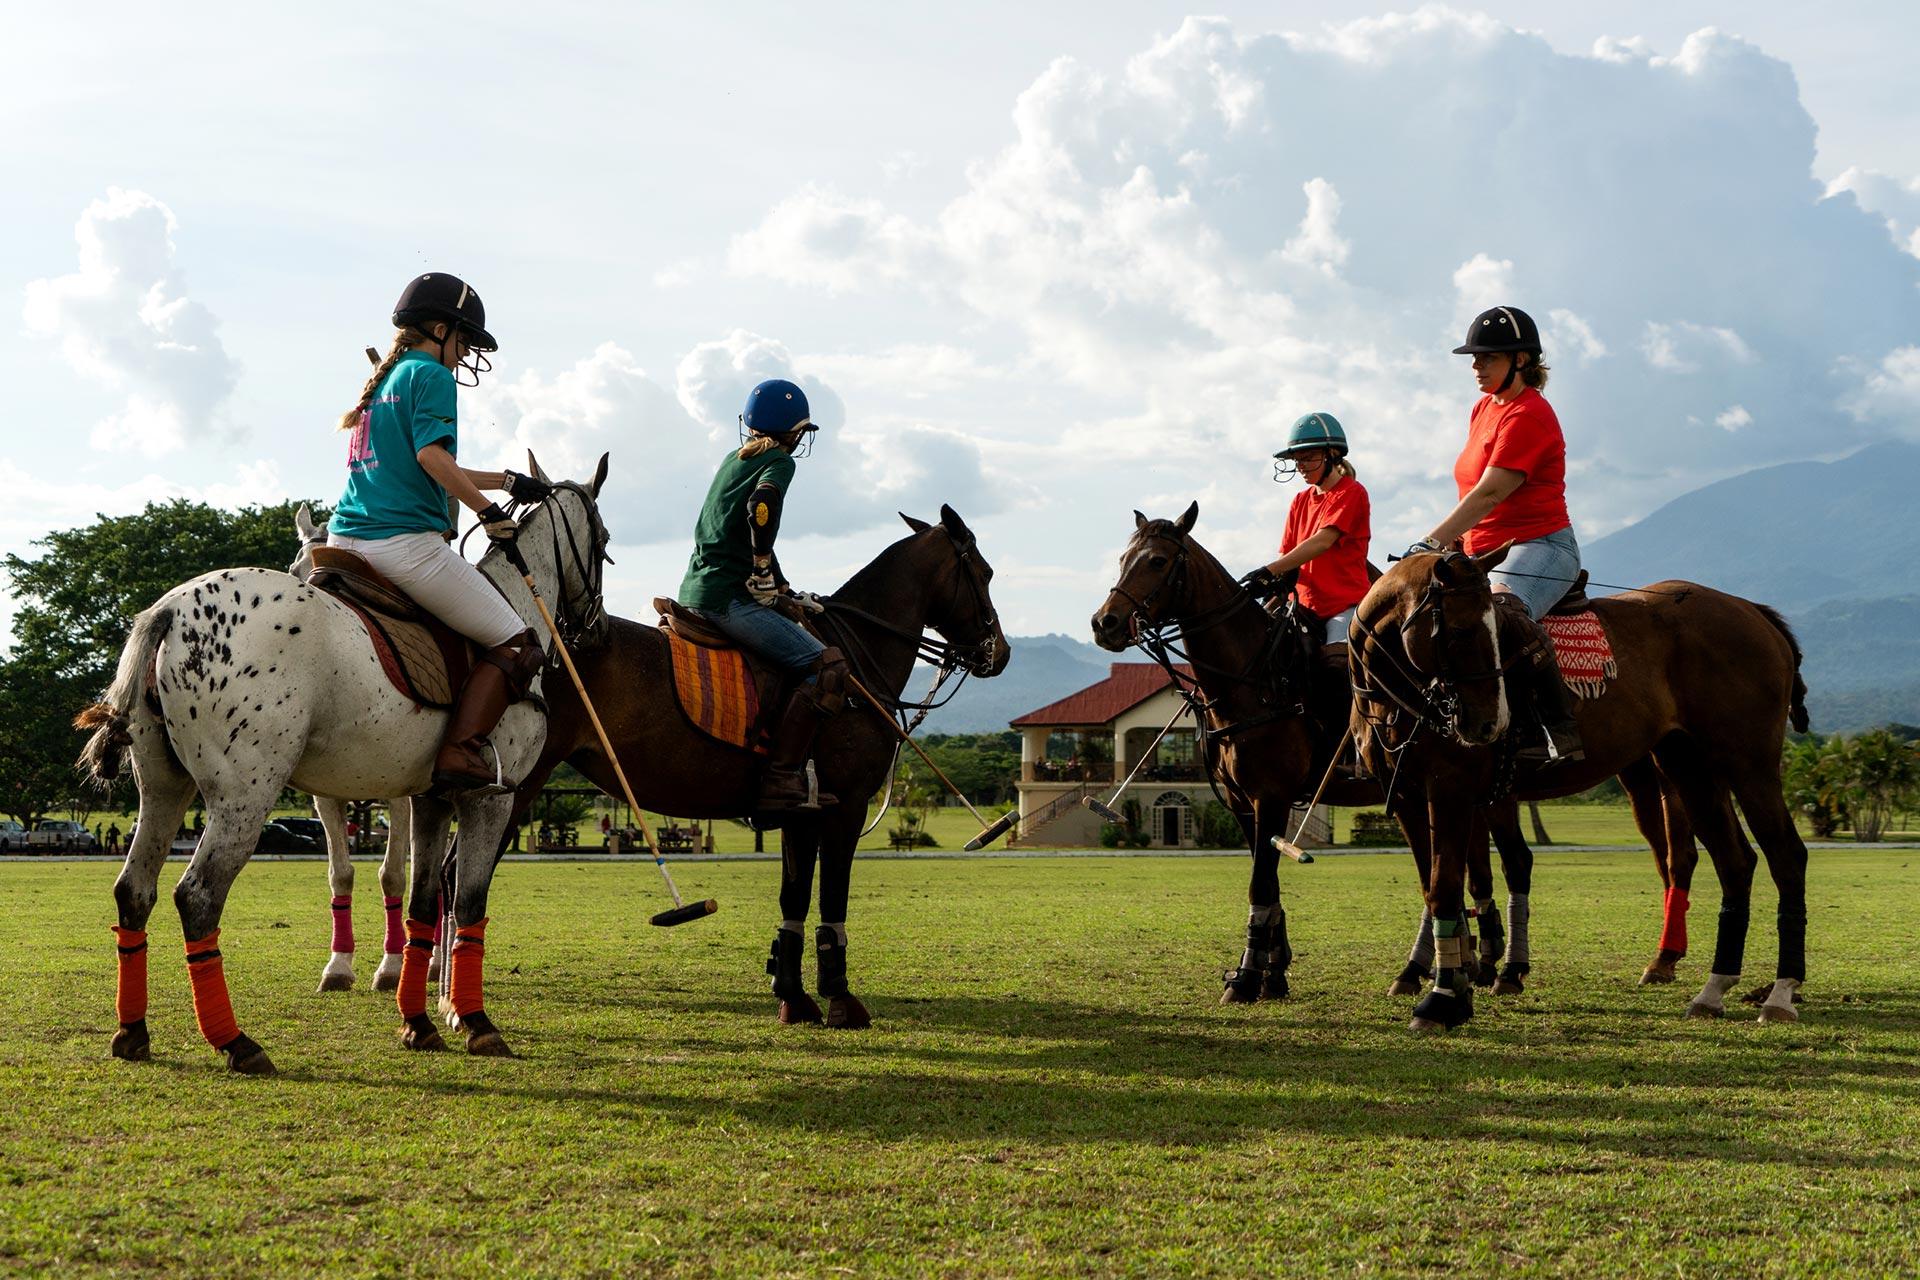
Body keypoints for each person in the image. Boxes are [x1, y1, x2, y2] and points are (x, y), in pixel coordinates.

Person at [328, 273, 555, 792]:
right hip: (402, 545)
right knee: (518, 643)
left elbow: (429, 463)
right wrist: (490, 511)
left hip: (344, 542)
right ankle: (460, 751)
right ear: (439, 329)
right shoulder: (432, 376)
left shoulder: (385, 381)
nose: (467, 352)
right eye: (466, 339)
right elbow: (432, 458)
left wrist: (504, 480)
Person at [1406, 304, 1583, 762]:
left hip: (1539, 545)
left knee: (1499, 613)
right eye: (1474, 357)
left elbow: (1489, 494)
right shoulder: (1484, 408)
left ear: (1521, 360)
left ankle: (1555, 730)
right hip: (1482, 551)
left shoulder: (1530, 415)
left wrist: (1430, 542)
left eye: (1488, 357)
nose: (1475, 366)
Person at [677, 379, 847, 812]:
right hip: (726, 599)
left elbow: (735, 526)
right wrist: (760, 566)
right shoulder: (779, 462)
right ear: (792, 432)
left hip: (696, 588)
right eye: (801, 433)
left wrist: (779, 583)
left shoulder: (731, 459)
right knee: (826, 667)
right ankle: (781, 779)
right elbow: (761, 508)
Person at [1243, 412, 1372, 653]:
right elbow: (1287, 553)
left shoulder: (1352, 492)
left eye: (1308, 457)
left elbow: (1322, 541)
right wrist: (1270, 583)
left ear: (1332, 455)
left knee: (1336, 664)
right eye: (1297, 459)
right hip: (1300, 605)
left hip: (1343, 606)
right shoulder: (1299, 501)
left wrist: (1267, 571)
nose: (1300, 466)